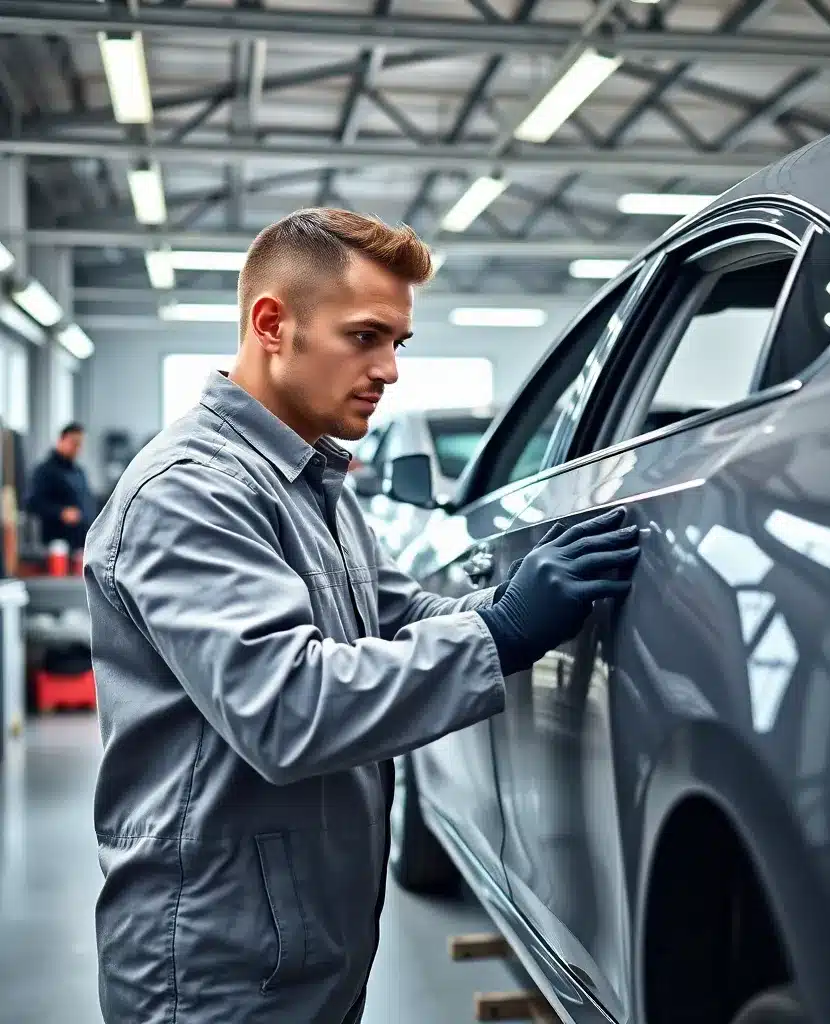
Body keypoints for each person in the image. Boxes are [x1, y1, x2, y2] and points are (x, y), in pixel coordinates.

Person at [83, 208, 641, 1024]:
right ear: (273, 323)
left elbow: (403, 612)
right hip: (216, 960)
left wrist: (517, 600)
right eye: (365, 336)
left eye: (398, 343)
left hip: (300, 935)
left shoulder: (309, 483)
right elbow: (287, 708)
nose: (389, 369)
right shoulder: (191, 491)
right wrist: (504, 631)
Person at [27, 421, 95, 550]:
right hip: (56, 545)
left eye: (80, 444)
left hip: (80, 542)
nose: (77, 448)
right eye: (74, 443)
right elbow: (33, 503)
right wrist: (61, 512)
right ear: (61, 440)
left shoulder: (79, 472)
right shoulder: (44, 470)